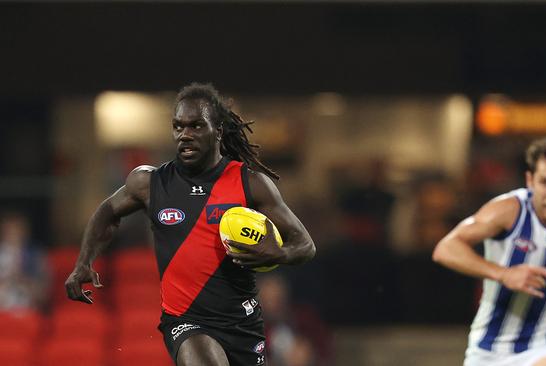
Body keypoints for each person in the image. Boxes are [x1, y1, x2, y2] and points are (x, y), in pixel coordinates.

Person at [65, 82, 316, 366]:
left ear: (218, 131)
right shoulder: (150, 183)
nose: (185, 135)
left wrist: (279, 253)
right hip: (186, 321)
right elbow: (107, 211)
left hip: (242, 325)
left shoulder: (251, 184)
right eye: (178, 126)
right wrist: (84, 261)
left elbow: (305, 245)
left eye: (196, 126)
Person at [433, 139, 546, 366]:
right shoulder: (507, 211)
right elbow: (446, 248)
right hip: (490, 348)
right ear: (530, 180)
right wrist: (503, 274)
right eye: (545, 182)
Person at [0, 212, 49, 311]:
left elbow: (44, 292)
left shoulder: (35, 256)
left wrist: (23, 279)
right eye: (9, 231)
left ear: (24, 232)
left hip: (27, 305)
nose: (13, 235)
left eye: (16, 231)